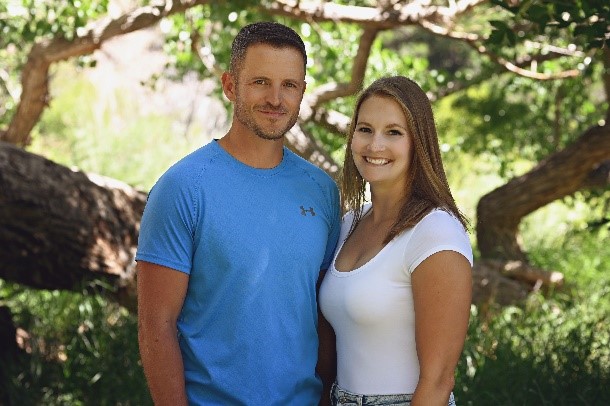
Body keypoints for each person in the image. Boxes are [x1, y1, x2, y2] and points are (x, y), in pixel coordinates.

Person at [136, 21, 341, 405]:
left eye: (289, 85)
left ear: (302, 93)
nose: (276, 99)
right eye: (260, 82)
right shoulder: (182, 188)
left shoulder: (322, 191)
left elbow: (325, 316)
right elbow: (155, 326)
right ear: (231, 86)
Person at [318, 76, 473, 406]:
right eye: (364, 129)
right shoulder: (349, 223)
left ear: (418, 143)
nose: (375, 146)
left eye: (393, 132)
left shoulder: (435, 232)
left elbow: (438, 380)